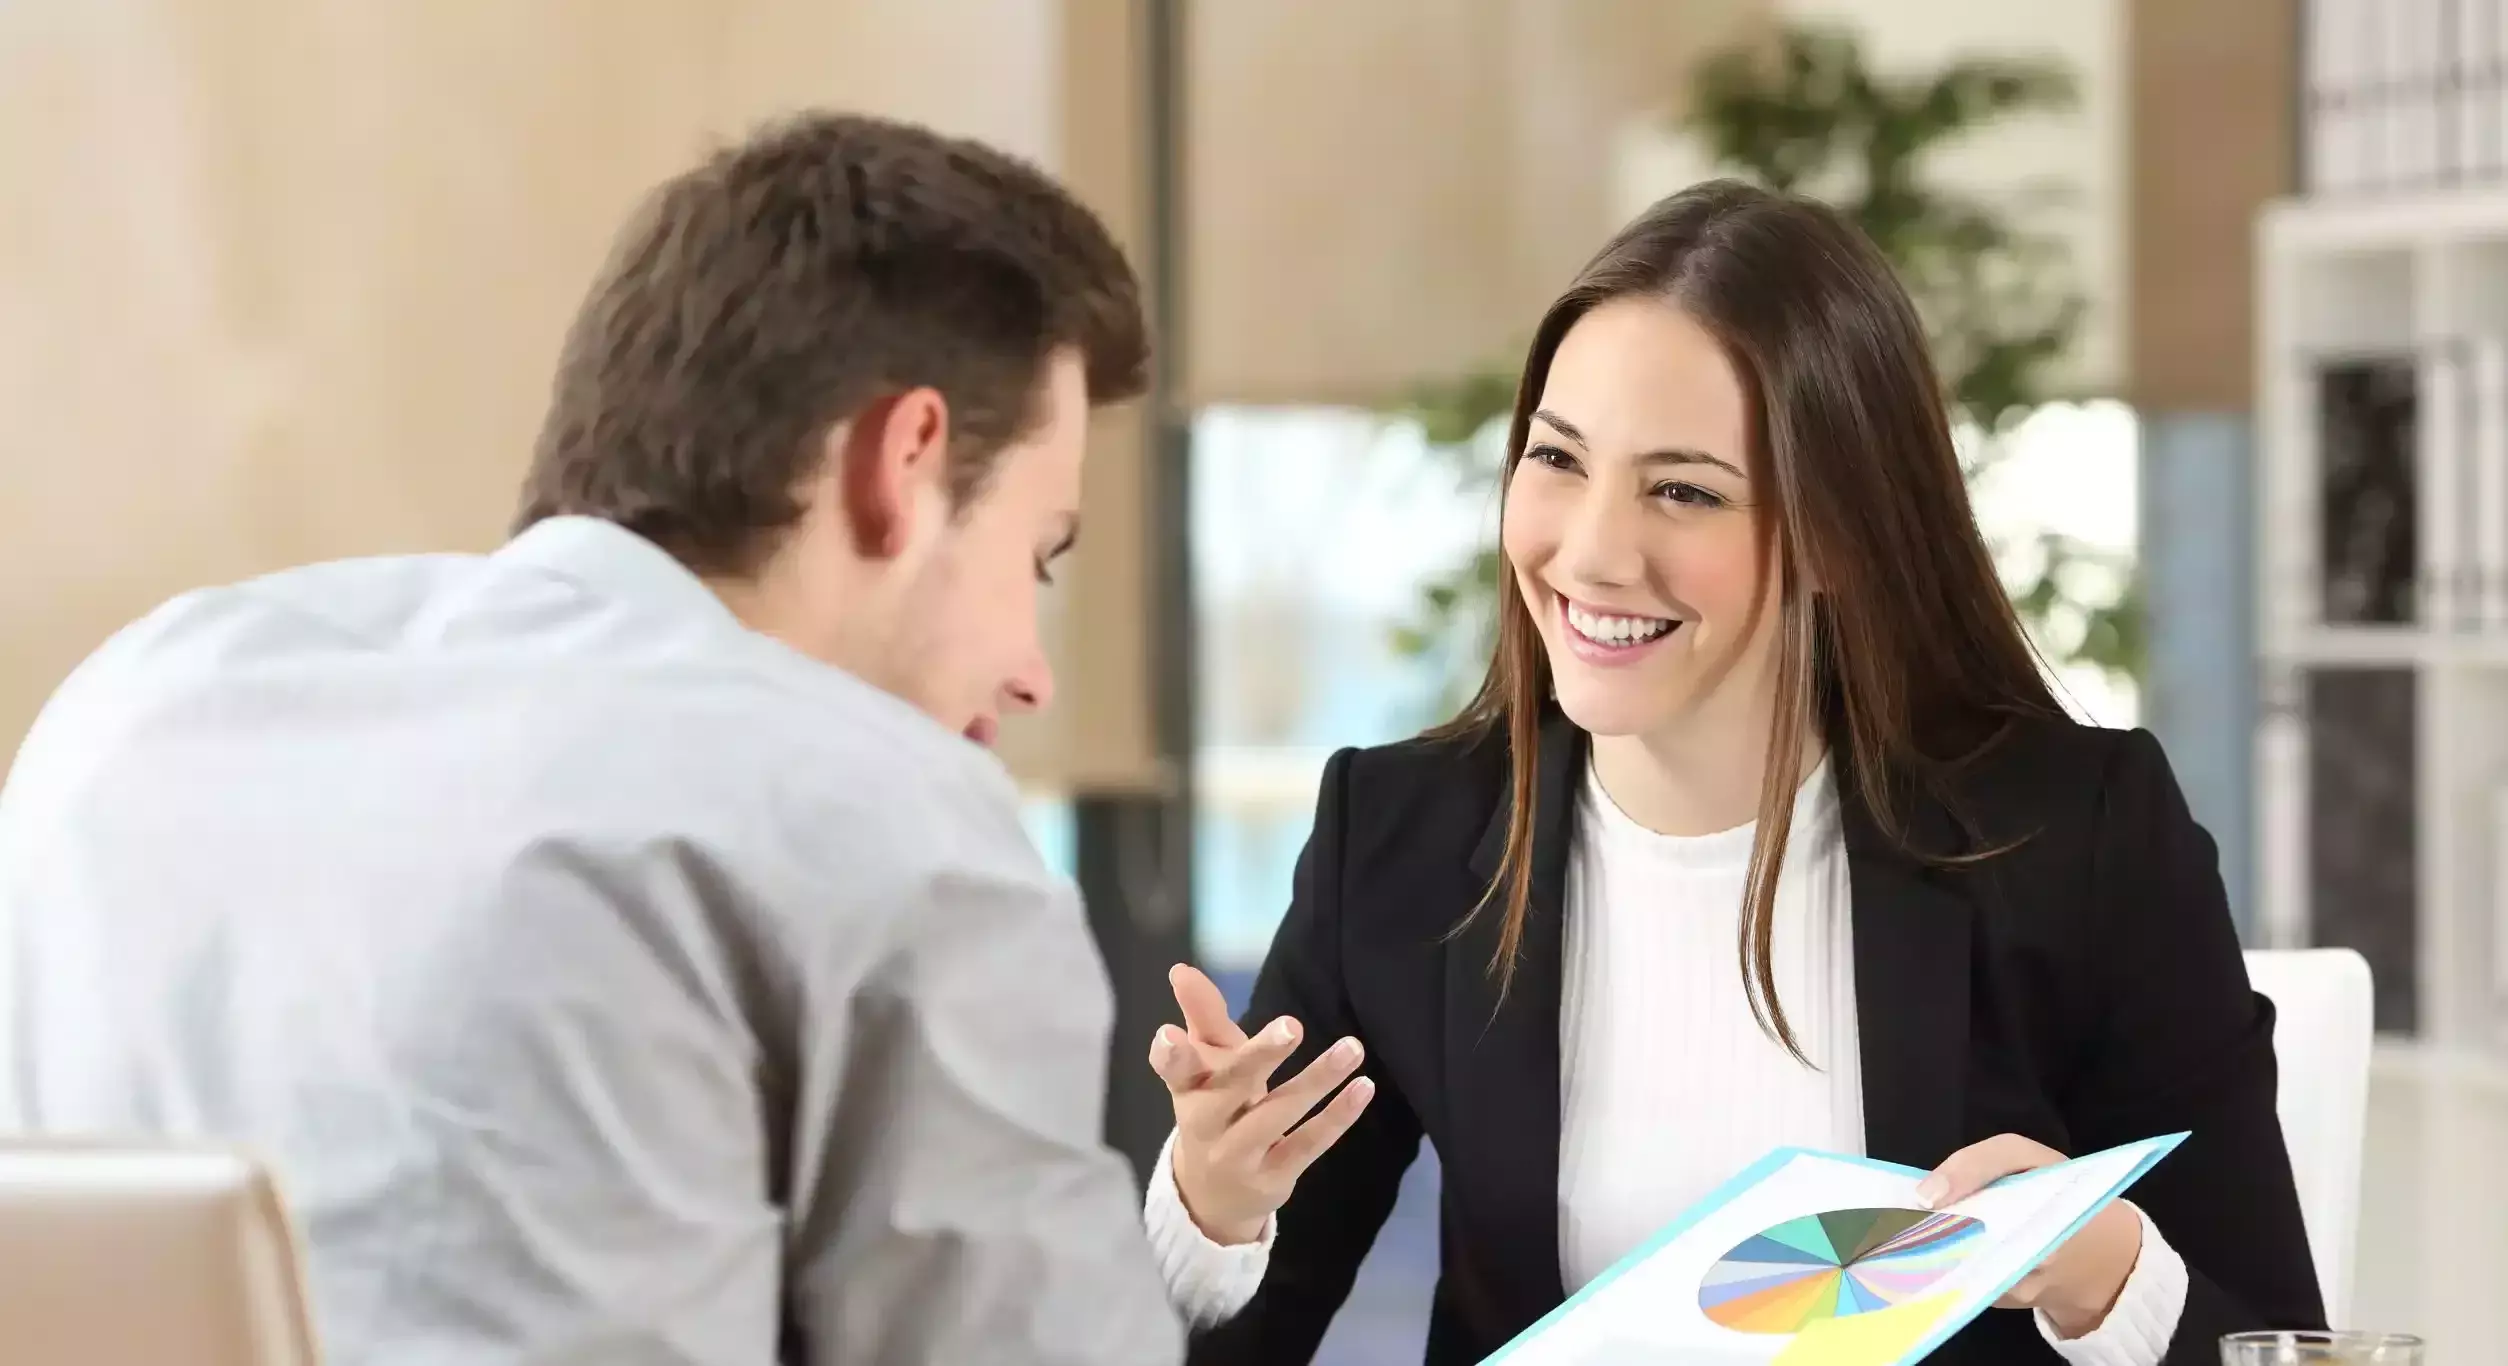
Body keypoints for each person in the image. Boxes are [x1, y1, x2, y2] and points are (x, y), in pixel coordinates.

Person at [0, 111, 1183, 1366]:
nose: (1038, 672)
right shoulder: (893, 815)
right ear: (904, 461)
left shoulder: (133, 710)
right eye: (1040, 553)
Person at [1138, 180, 2327, 1366]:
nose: (1592, 550)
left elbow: (2279, 1343)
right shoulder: (1400, 838)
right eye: (1558, 459)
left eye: (1684, 490)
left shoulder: (2075, 835)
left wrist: (2098, 1272)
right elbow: (1235, 1336)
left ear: (1840, 535)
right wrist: (1213, 1206)